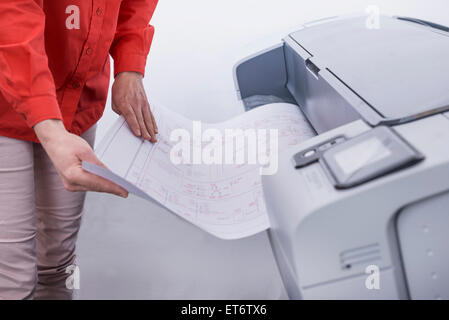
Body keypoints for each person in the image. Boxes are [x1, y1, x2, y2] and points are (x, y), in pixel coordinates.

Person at [0, 0, 158, 299]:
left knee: (58, 265)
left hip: (76, 98)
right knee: (11, 277)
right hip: (4, 95)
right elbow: (12, 19)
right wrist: (50, 130)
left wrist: (129, 66)